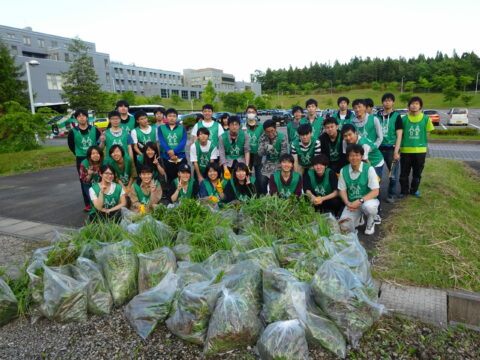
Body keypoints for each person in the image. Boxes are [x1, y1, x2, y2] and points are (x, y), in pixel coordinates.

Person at [338, 144, 380, 235]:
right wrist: (348, 203)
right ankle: (359, 217)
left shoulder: (369, 169)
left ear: (361, 156)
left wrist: (360, 201)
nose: (354, 158)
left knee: (369, 207)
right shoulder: (343, 170)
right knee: (343, 226)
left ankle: (371, 221)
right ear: (348, 157)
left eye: (357, 155)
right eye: (351, 155)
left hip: (367, 201)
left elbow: (376, 191)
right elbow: (342, 190)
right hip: (352, 204)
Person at [397, 96, 434, 198]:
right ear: (408, 106)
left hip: (420, 151)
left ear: (420, 106)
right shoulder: (403, 119)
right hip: (405, 150)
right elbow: (400, 134)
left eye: (417, 104)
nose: (414, 106)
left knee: (417, 173)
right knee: (404, 173)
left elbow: (428, 132)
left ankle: (414, 190)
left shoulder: (426, 118)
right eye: (412, 104)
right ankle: (404, 191)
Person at [68, 109, 101, 211]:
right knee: (84, 181)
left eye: (83, 116)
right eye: (79, 116)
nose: (81, 118)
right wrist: (78, 153)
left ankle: (100, 200)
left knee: (98, 178)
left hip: (95, 157)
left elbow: (99, 142)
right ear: (76, 118)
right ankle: (88, 203)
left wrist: (96, 154)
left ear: (87, 117)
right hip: (81, 158)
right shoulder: (73, 131)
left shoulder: (94, 129)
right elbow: (71, 145)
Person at [377, 93, 403, 203]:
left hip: (391, 149)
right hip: (378, 149)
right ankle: (375, 195)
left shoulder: (397, 116)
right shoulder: (377, 116)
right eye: (385, 100)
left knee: (392, 174)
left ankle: (391, 194)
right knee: (376, 174)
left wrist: (396, 152)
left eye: (389, 100)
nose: (387, 102)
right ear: (382, 102)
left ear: (393, 102)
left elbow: (399, 135)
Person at [257, 120, 289, 194]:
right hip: (268, 163)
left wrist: (274, 150)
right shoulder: (263, 137)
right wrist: (266, 148)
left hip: (280, 163)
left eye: (272, 131)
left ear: (275, 129)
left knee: (278, 180)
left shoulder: (282, 137)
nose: (270, 133)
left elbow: (284, 155)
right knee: (262, 180)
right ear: (264, 131)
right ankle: (263, 197)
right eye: (268, 132)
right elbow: (260, 153)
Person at [157, 108, 188, 182]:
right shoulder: (161, 128)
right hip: (166, 157)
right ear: (165, 117)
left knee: (182, 176)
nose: (172, 118)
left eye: (174, 116)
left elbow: (183, 142)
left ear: (176, 118)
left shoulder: (182, 128)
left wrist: (174, 151)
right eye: (170, 116)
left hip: (180, 156)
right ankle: (171, 192)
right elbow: (161, 141)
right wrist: (169, 151)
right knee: (169, 177)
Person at [79, 145, 104, 212]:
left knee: (103, 201)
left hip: (101, 184)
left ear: (100, 154)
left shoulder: (104, 163)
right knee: (94, 201)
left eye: (97, 153)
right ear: (89, 155)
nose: (96, 155)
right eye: (93, 153)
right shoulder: (84, 163)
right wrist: (89, 175)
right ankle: (94, 214)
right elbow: (84, 180)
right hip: (89, 185)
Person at [245, 105, 264, 183]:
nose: (251, 114)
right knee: (246, 175)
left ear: (256, 113)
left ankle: (259, 193)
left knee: (259, 176)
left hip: (258, 154)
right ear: (246, 113)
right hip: (246, 155)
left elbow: (264, 139)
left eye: (253, 112)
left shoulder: (261, 126)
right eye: (249, 112)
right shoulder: (242, 126)